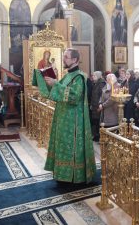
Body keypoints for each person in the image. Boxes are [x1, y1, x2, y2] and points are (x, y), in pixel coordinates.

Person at [32, 48, 96, 183]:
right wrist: (45, 79)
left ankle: (74, 176)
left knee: (70, 147)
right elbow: (57, 91)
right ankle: (62, 175)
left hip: (73, 120)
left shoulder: (80, 77)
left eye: (66, 57)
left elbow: (74, 96)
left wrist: (56, 84)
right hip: (63, 117)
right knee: (62, 145)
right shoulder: (67, 76)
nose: (64, 59)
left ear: (75, 60)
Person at [90, 71, 105, 142]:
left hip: (98, 106)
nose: (93, 77)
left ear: (98, 76)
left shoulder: (101, 84)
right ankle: (96, 135)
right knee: (95, 122)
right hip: (94, 106)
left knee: (98, 122)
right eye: (93, 76)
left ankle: (99, 136)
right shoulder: (95, 83)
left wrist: (100, 105)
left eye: (94, 76)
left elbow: (101, 96)